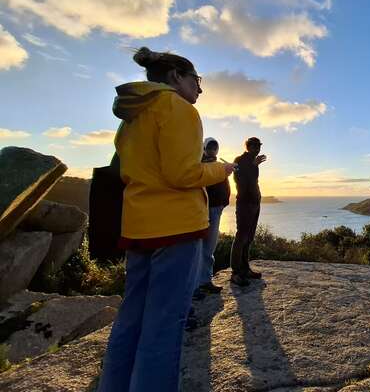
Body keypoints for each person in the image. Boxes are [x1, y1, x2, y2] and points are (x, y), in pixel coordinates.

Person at [97, 47, 236, 392]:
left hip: (139, 225)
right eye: (196, 80)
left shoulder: (132, 114)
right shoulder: (179, 108)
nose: (200, 89)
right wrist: (221, 169)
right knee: (164, 325)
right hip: (176, 229)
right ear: (176, 77)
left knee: (130, 320)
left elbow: (129, 170)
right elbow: (182, 173)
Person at [195, 137, 231, 295]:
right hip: (204, 210)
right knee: (200, 248)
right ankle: (196, 284)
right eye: (209, 147)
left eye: (214, 147)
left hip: (216, 208)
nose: (212, 150)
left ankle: (205, 280)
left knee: (209, 247)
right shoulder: (200, 164)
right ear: (203, 148)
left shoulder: (217, 165)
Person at [230, 137, 266, 286]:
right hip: (244, 204)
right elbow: (241, 181)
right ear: (248, 147)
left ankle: (245, 269)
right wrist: (253, 165)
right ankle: (236, 273)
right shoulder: (239, 160)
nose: (257, 149)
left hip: (254, 203)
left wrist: (254, 165)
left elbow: (253, 181)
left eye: (258, 146)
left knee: (249, 238)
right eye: (254, 146)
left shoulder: (252, 162)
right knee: (241, 237)